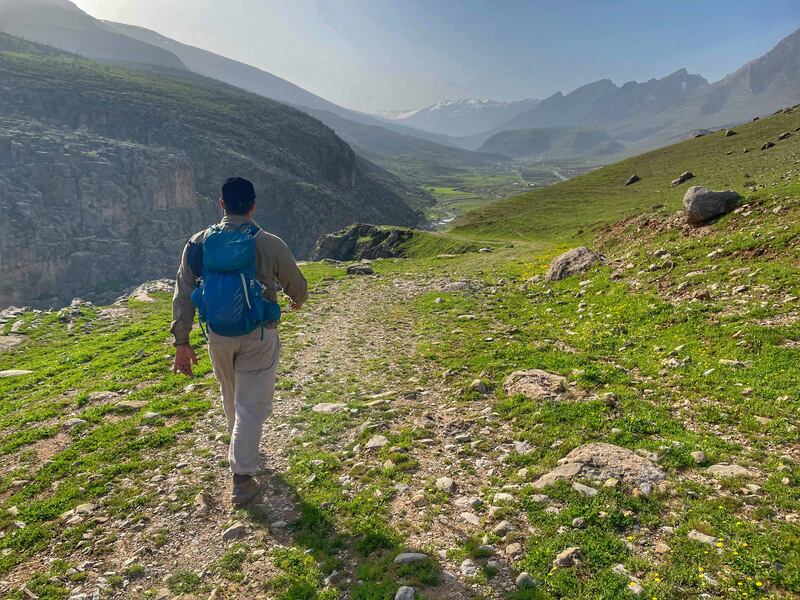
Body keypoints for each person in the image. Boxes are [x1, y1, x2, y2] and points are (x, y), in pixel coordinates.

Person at [170, 177, 308, 505]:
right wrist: (295, 300)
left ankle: (239, 449)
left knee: (231, 395)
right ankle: (242, 478)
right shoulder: (269, 242)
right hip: (259, 334)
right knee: (252, 406)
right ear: (253, 205)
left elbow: (184, 293)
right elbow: (298, 288)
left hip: (217, 335)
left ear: (221, 205)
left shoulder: (198, 242)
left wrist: (181, 342)